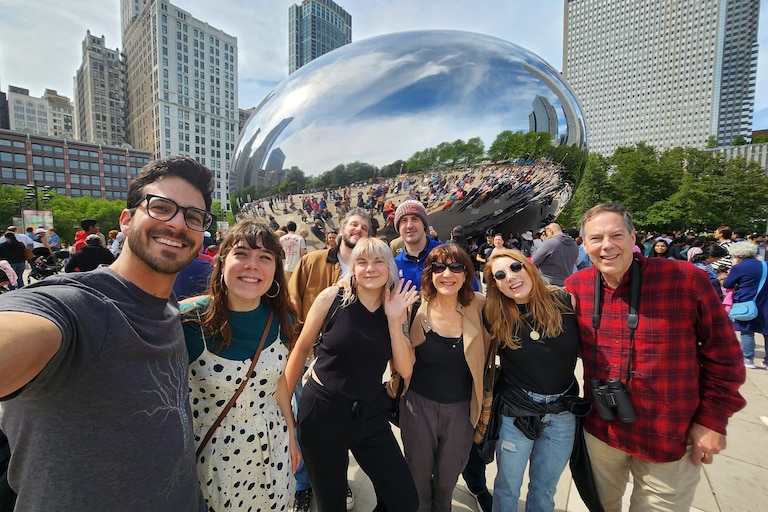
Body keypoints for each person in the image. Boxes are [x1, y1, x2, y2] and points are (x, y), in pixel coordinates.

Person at [0, 156, 215, 511]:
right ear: (127, 220)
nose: (178, 224)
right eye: (161, 208)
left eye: (193, 217)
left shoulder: (168, 307)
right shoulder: (74, 306)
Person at [565, 203, 747, 511]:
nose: (607, 246)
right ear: (584, 244)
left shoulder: (686, 280)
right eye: (596, 238)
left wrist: (713, 421)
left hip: (668, 435)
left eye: (616, 235)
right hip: (601, 432)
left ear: (633, 237)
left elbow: (726, 358)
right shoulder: (576, 287)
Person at [284, 237, 419, 512]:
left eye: (378, 261)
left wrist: (395, 321)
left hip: (369, 413)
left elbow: (404, 369)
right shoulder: (331, 298)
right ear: (352, 267)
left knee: (403, 499)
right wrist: (285, 412)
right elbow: (299, 351)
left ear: (389, 267)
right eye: (362, 261)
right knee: (331, 503)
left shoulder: (395, 307)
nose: (370, 268)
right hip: (323, 410)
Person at [181, 219, 300, 511]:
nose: (253, 265)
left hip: (274, 446)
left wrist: (291, 434)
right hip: (215, 456)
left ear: (275, 269)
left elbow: (277, 381)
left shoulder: (285, 318)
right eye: (242, 253)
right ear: (222, 263)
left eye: (265, 257)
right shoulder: (187, 321)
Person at [484, 248, 590, 511]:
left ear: (529, 267)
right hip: (517, 412)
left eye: (515, 267)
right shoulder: (496, 316)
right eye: (500, 275)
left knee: (544, 488)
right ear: (495, 285)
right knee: (508, 486)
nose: (510, 277)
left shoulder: (565, 301)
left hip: (562, 413)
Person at [287, 208, 371, 511]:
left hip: (345, 366)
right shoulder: (312, 262)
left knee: (340, 429)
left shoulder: (370, 272)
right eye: (353, 224)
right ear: (342, 229)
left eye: (364, 226)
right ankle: (302, 485)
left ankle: (336, 480)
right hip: (309, 358)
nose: (358, 229)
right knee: (306, 427)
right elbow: (291, 301)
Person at [400, 244, 488, 512]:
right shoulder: (414, 307)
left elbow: (518, 303)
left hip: (461, 410)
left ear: (466, 274)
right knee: (418, 480)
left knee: (447, 481)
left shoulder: (480, 306)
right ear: (430, 273)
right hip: (418, 407)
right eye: (438, 267)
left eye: (455, 267)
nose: (446, 274)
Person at [723, 241, 768, 370]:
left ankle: (748, 359)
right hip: (765, 301)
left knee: (747, 330)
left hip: (746, 301)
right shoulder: (765, 264)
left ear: (738, 255)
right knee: (766, 331)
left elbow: (727, 284)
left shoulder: (739, 267)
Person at [393, 200, 443, 290]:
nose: (409, 225)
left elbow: (472, 295)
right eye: (404, 220)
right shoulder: (394, 266)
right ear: (398, 228)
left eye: (415, 219)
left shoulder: (447, 253)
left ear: (424, 224)